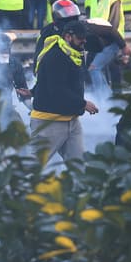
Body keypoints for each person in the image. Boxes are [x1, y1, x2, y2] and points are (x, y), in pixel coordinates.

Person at [30, 20, 98, 164]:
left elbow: (45, 82)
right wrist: (83, 103)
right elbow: (57, 89)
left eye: (84, 37)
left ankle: (80, 187)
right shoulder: (55, 56)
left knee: (79, 168)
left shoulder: (74, 54)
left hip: (72, 121)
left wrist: (32, 91)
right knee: (32, 169)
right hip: (49, 122)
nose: (84, 41)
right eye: (80, 37)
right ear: (68, 37)